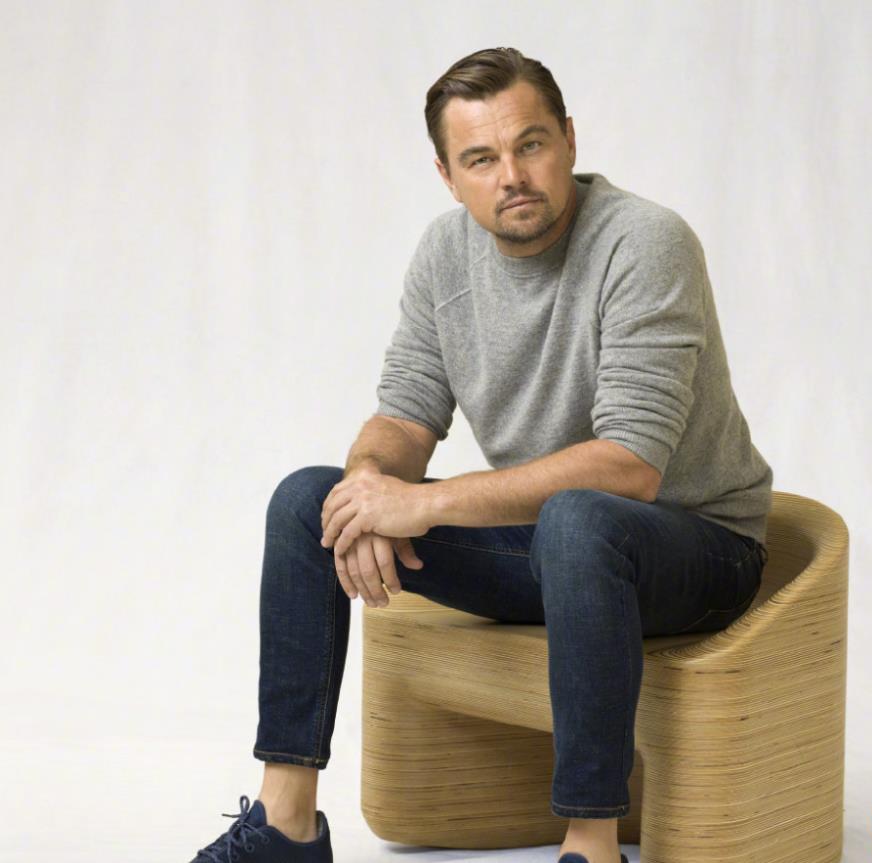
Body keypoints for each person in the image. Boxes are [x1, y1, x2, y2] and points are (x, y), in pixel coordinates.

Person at [190, 46, 772, 863]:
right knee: (306, 501)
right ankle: (285, 825)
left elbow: (630, 466)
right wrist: (367, 486)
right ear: (447, 175)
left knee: (581, 520)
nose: (513, 176)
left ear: (569, 139)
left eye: (530, 144)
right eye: (481, 158)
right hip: (551, 545)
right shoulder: (445, 255)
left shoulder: (645, 242)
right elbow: (404, 414)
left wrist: (421, 503)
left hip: (694, 550)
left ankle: (590, 843)